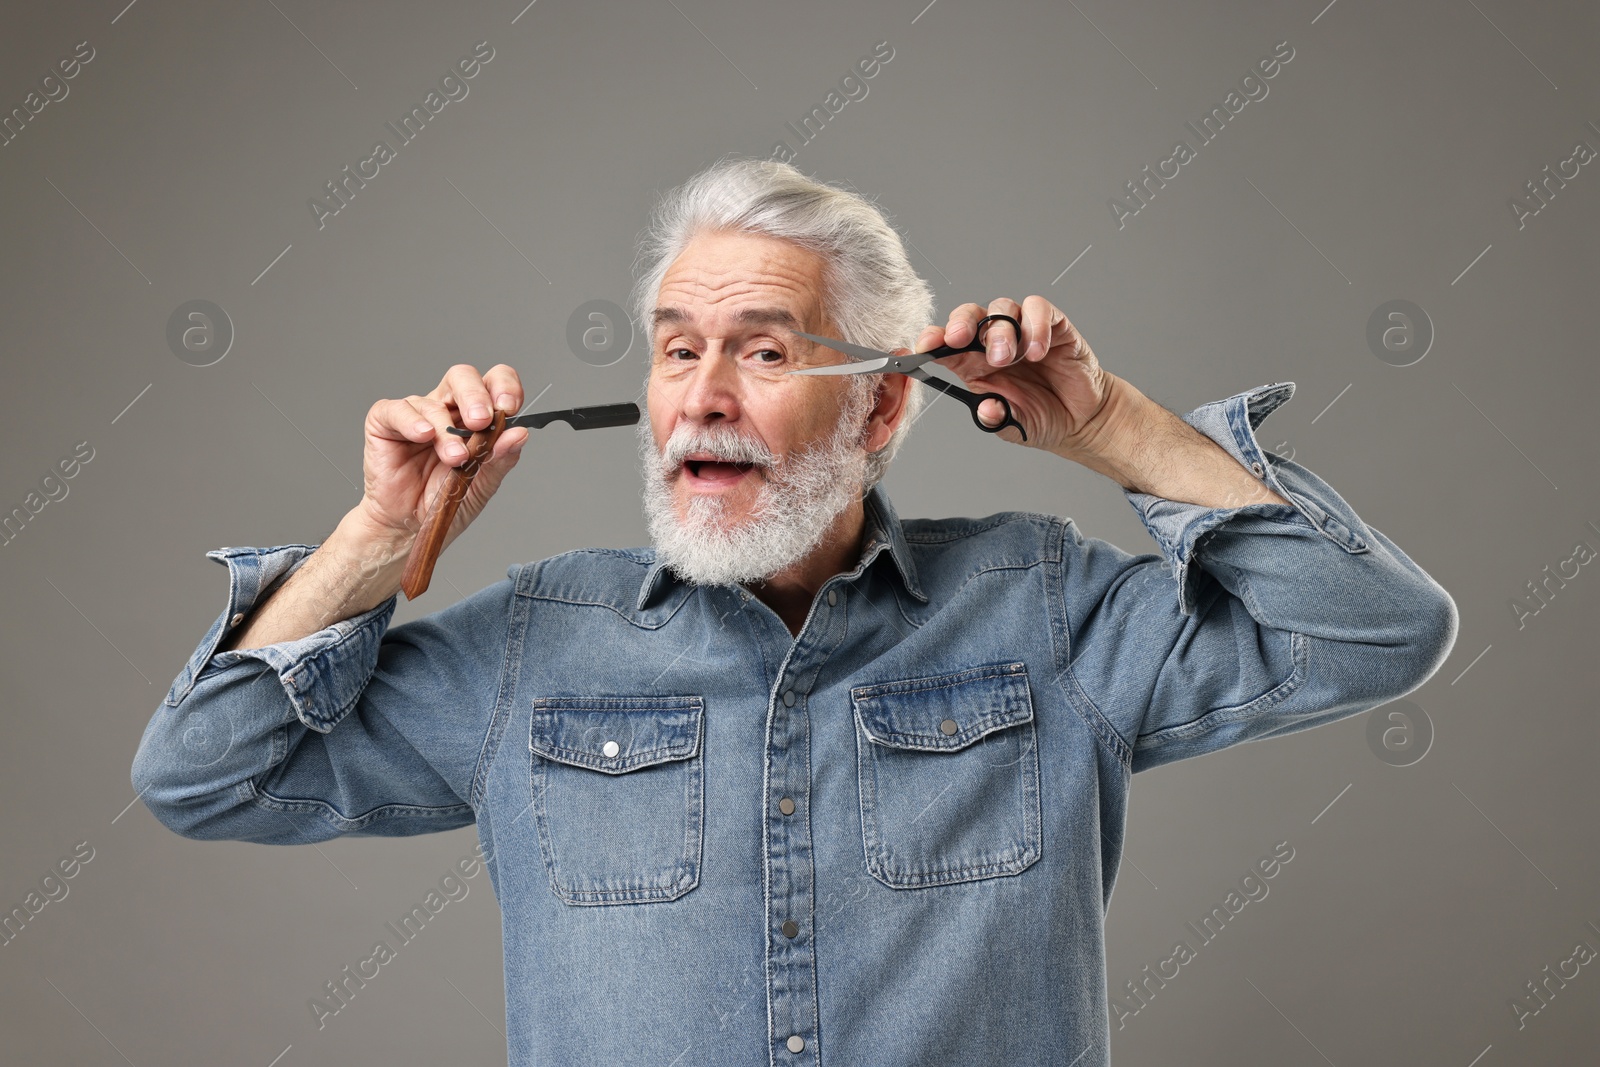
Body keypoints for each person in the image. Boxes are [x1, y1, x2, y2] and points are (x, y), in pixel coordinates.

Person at [132, 157, 1458, 1067]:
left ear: (882, 407)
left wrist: (1115, 429)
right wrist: (374, 538)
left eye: (764, 350)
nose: (702, 395)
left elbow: (1368, 627)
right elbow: (200, 775)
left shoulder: (1041, 609)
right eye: (674, 348)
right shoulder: (535, 646)